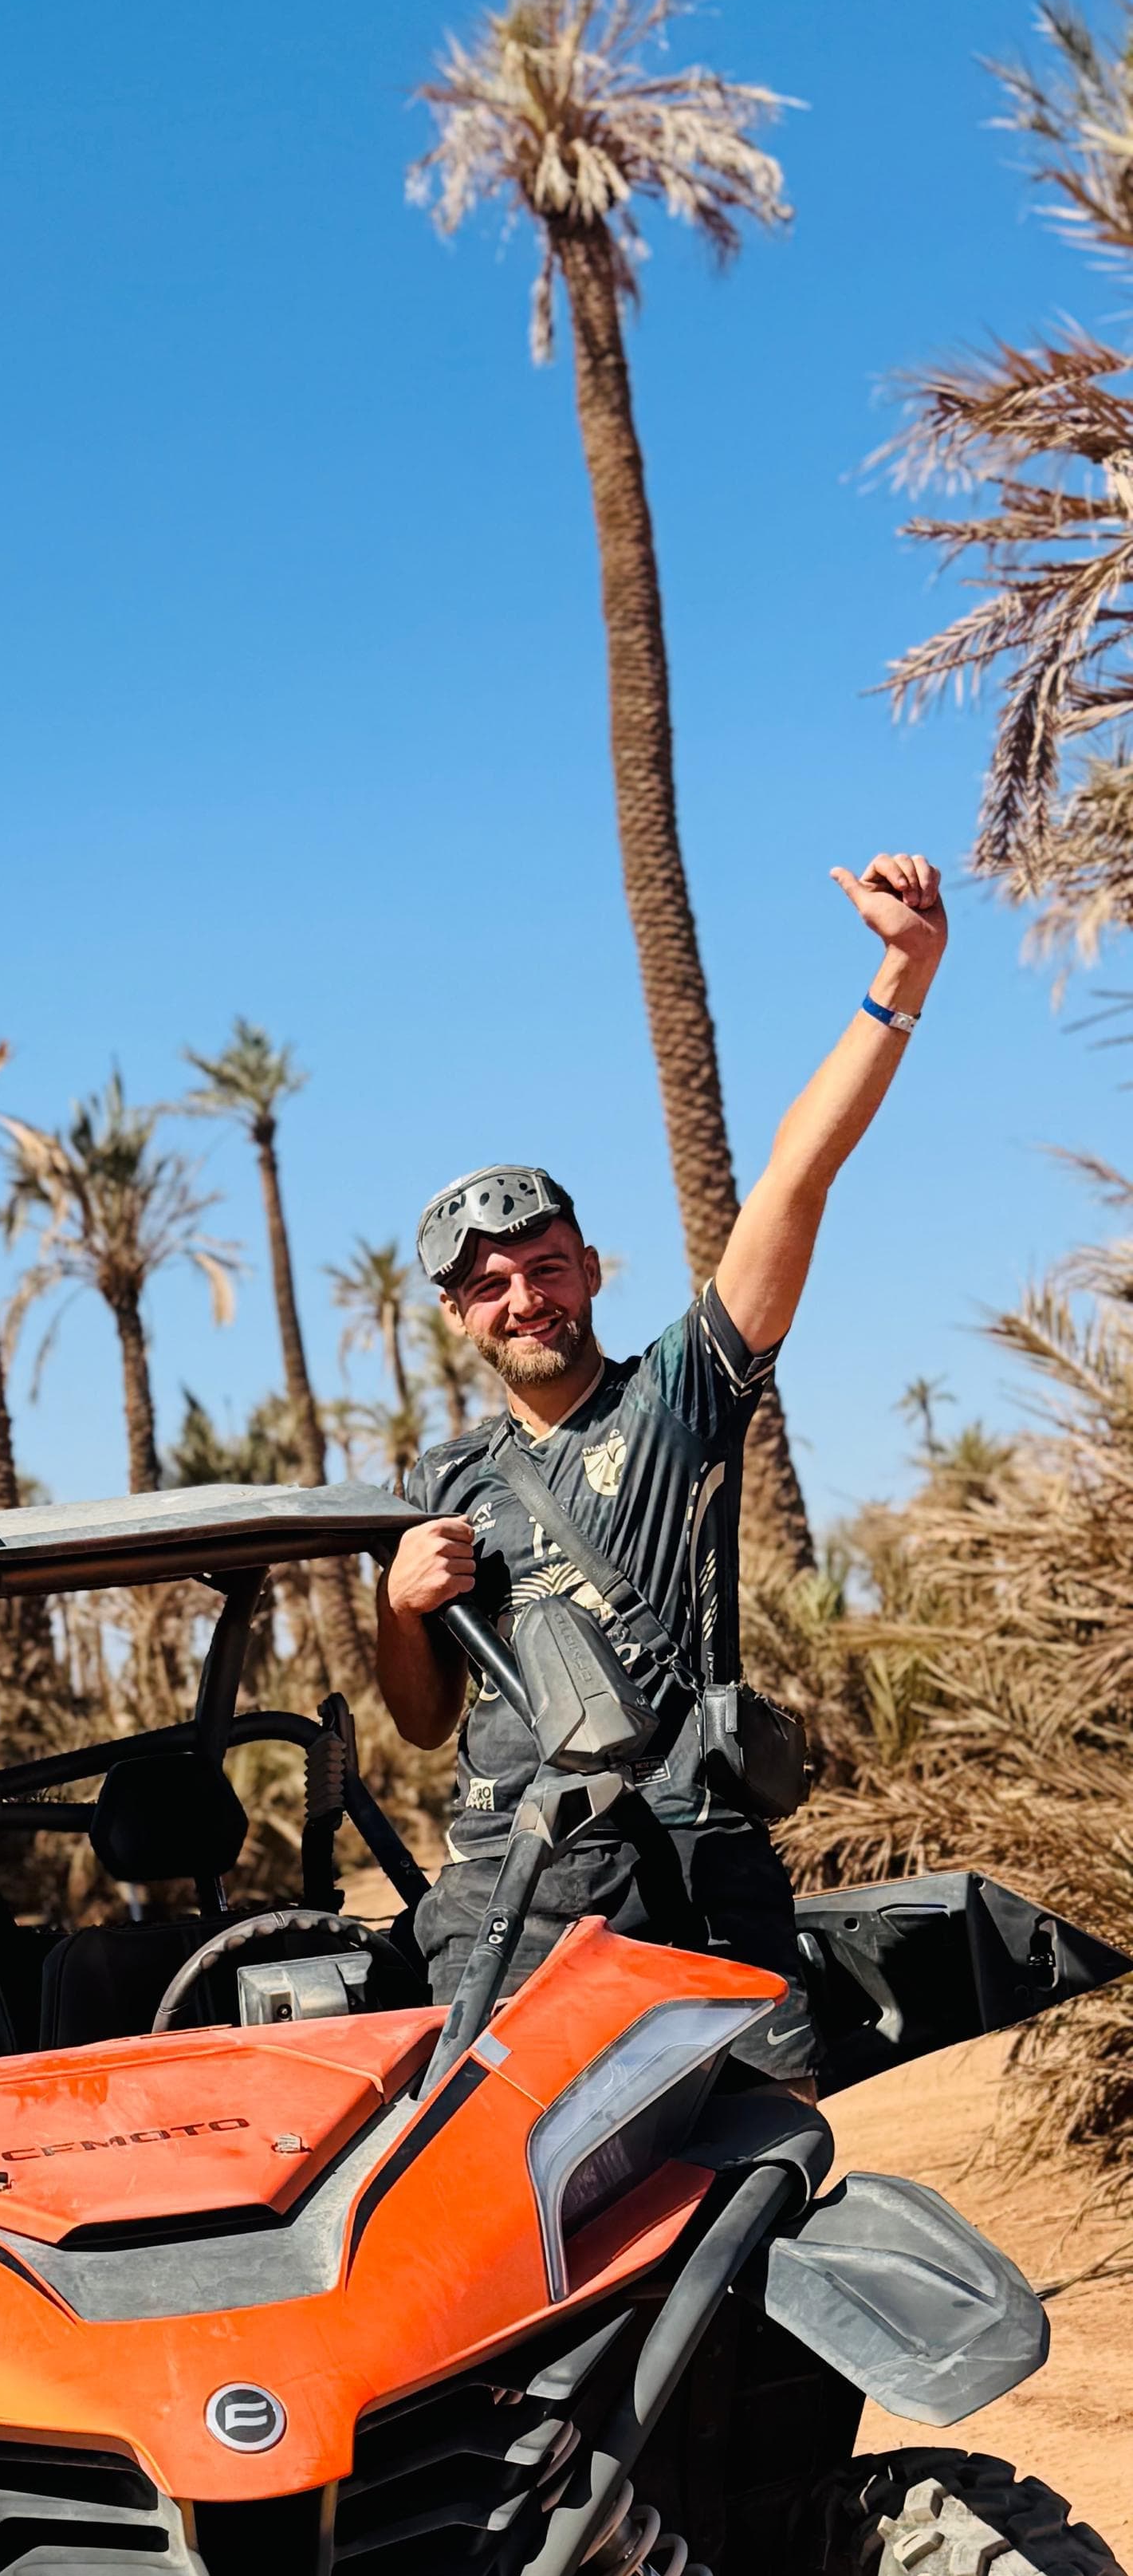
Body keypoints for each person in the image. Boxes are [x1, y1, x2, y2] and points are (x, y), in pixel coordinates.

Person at [375, 850, 949, 2051]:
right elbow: (423, 1723)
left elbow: (797, 1172)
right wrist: (398, 1607)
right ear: (456, 1316)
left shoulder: (678, 1399)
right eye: (489, 1286)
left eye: (544, 1267)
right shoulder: (436, 1485)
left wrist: (904, 971)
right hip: (507, 1894)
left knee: (765, 2177)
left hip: (699, 1878)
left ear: (589, 1269)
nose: (523, 1299)